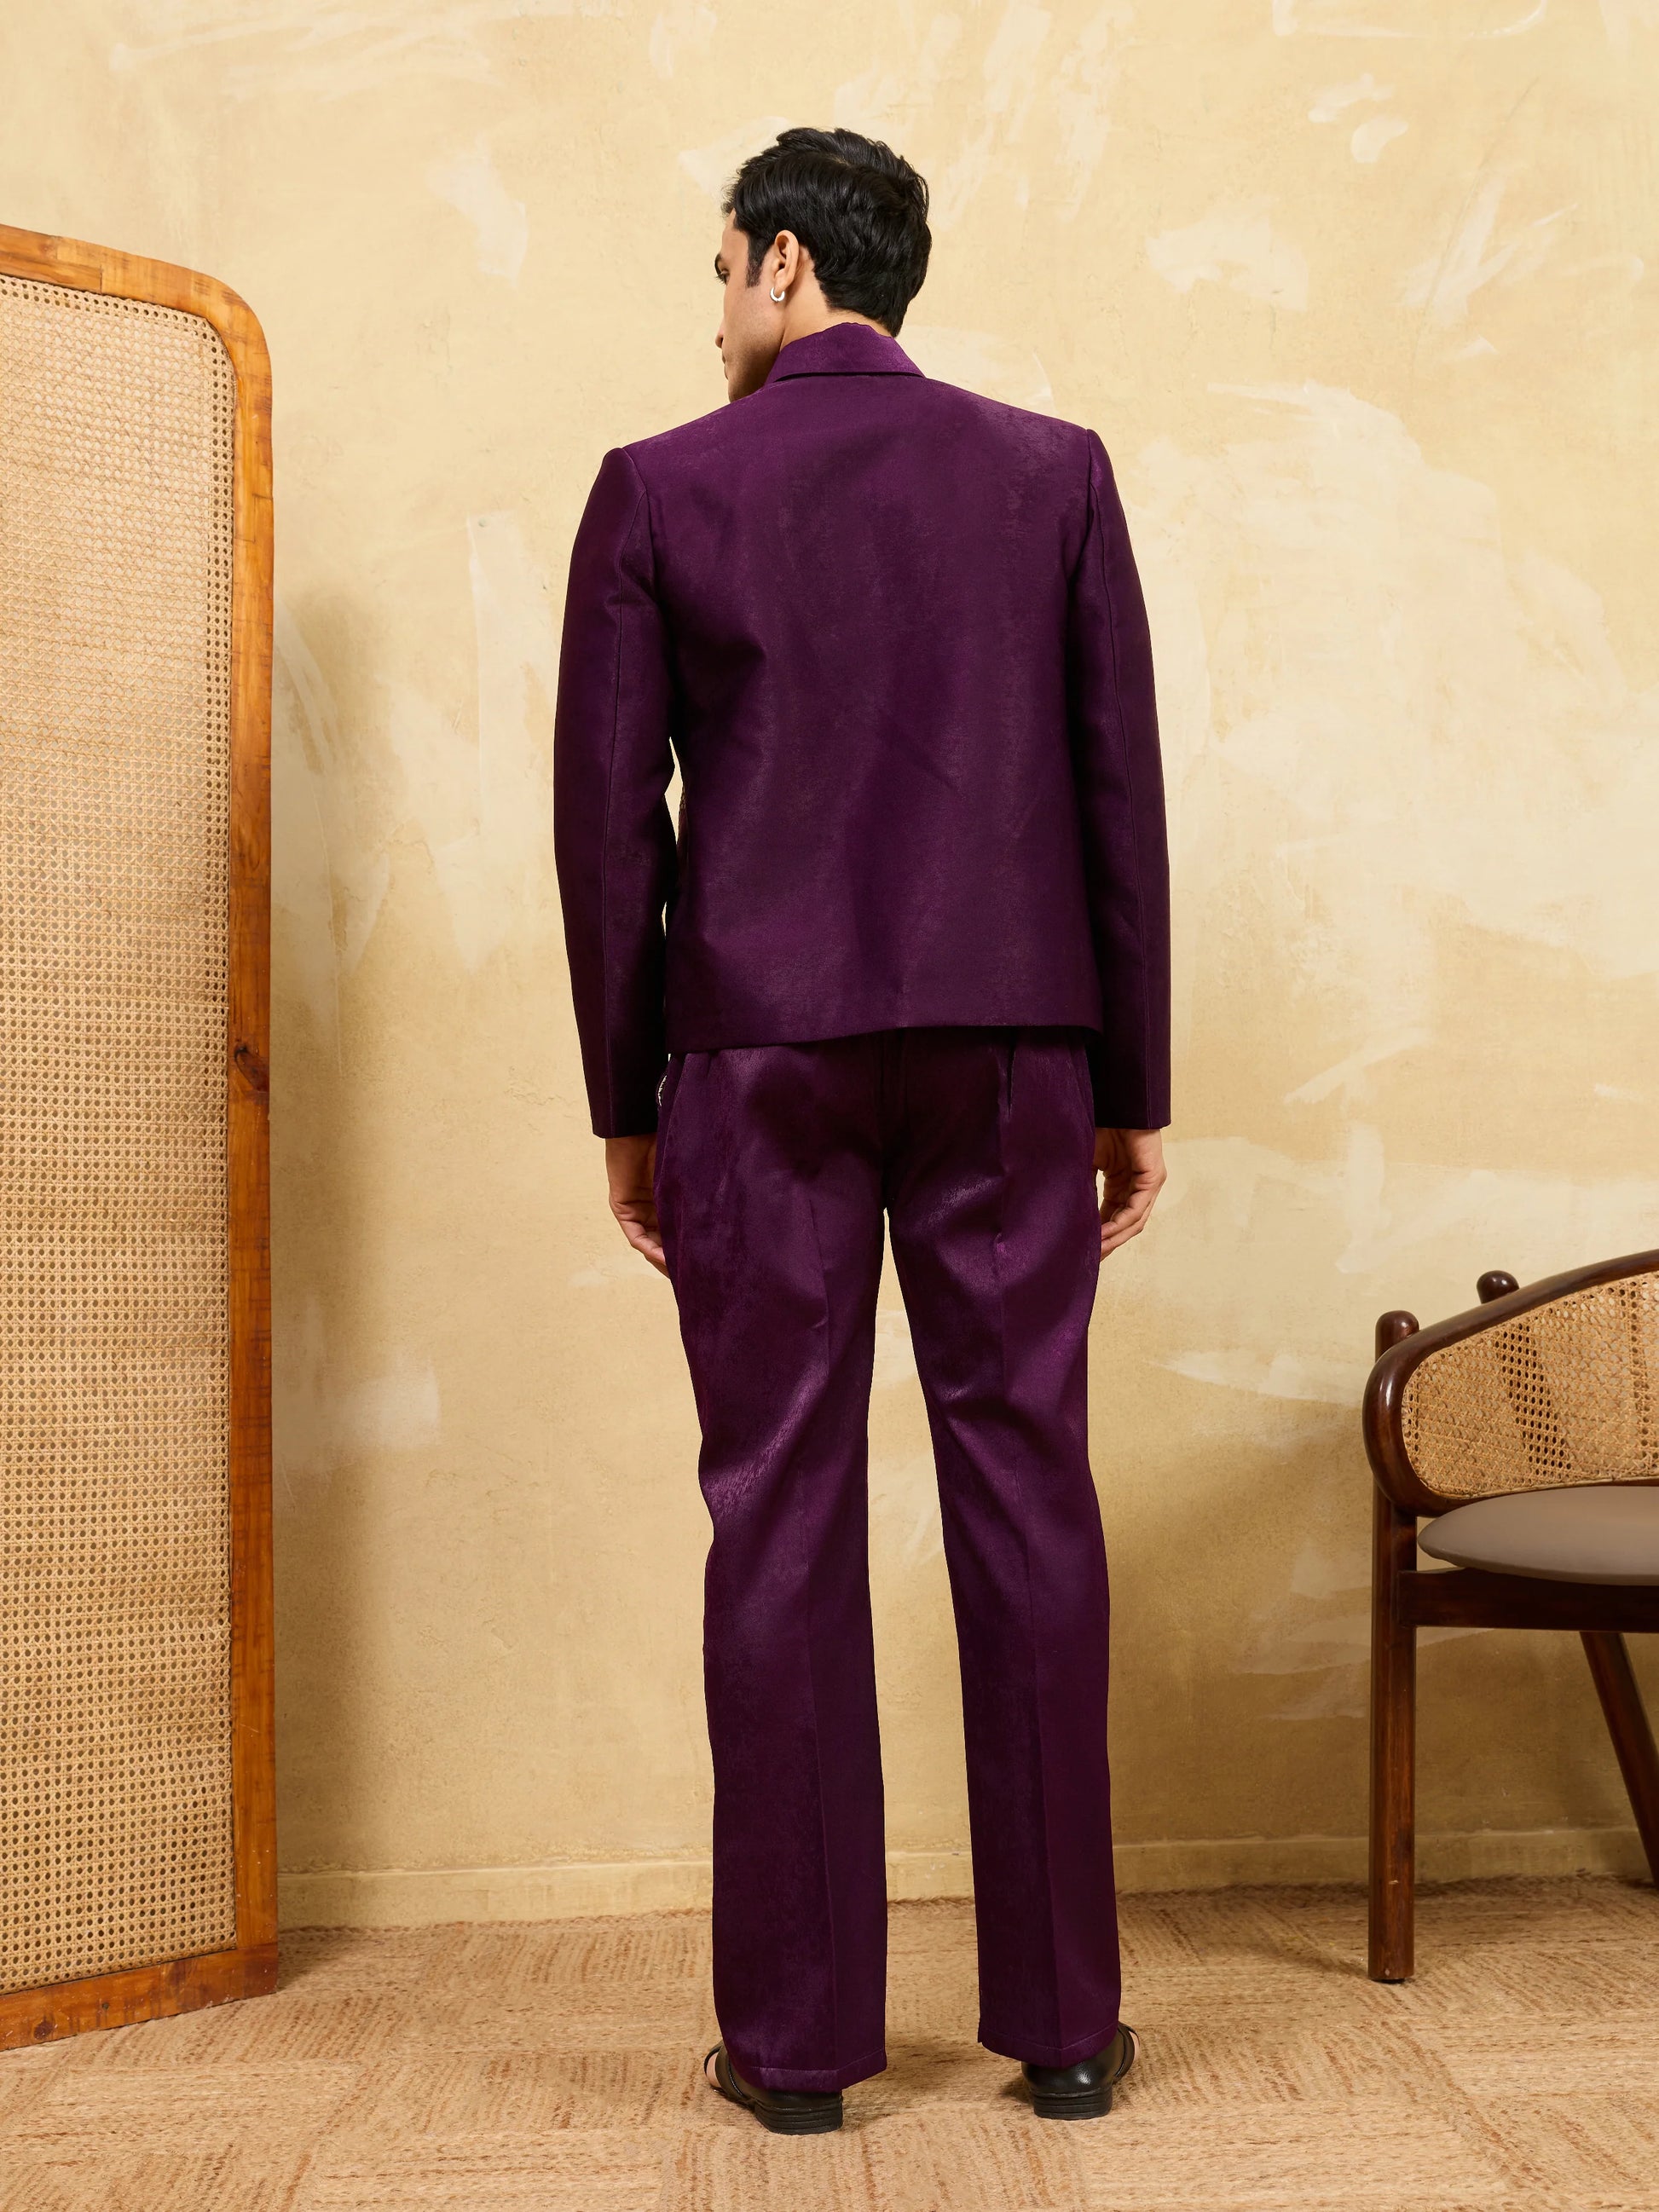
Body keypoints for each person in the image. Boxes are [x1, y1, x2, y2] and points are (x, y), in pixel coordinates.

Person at [552, 125, 1170, 2135]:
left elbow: (607, 834)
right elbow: (1116, 788)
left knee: (780, 1512)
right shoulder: (1053, 474)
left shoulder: (661, 486)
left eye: (722, 267)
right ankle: (1062, 2025)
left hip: (756, 1062)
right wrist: (1130, 1083)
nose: (715, 308)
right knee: (1029, 1492)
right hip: (1011, 1052)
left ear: (789, 265)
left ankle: (800, 2048)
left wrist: (627, 1102)